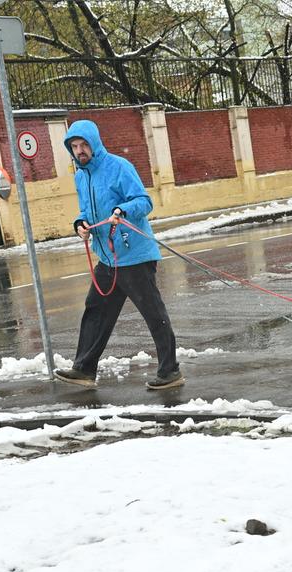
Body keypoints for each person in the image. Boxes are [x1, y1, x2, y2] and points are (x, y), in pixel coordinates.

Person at [53, 119, 183, 390]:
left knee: (153, 313)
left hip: (134, 255)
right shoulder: (81, 175)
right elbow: (86, 209)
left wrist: (122, 211)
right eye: (75, 147)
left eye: (84, 145)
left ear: (94, 143)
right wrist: (81, 224)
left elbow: (144, 201)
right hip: (107, 259)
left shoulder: (119, 167)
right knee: (95, 312)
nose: (80, 151)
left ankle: (170, 371)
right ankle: (84, 369)